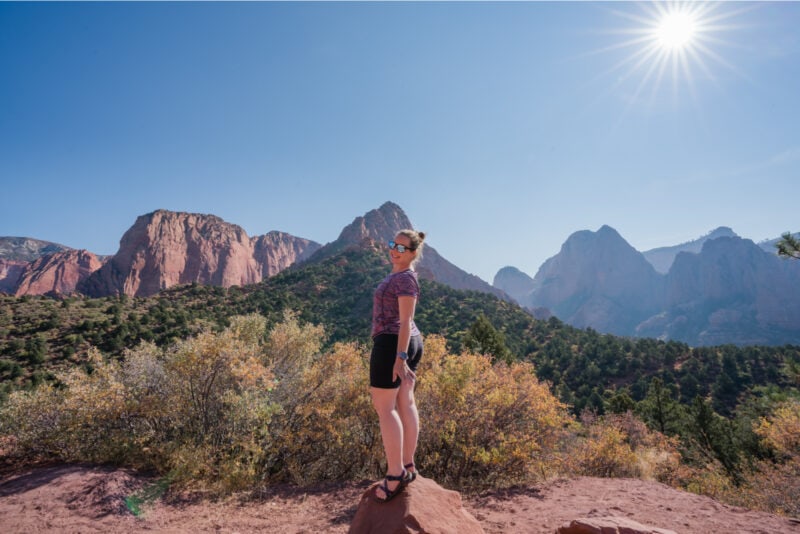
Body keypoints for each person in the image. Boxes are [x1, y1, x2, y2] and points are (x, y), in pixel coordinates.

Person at [370, 229, 426, 502]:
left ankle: (396, 474)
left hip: (394, 343)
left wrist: (400, 357)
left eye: (402, 248)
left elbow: (405, 320)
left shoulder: (404, 279)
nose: (394, 250)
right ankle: (408, 464)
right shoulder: (401, 276)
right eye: (393, 244)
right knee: (405, 401)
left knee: (385, 407)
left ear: (413, 253)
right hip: (407, 341)